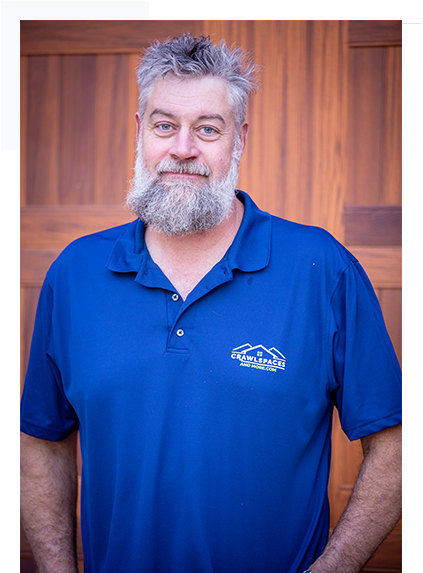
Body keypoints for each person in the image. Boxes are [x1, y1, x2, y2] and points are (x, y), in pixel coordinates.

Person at [20, 33, 402, 573]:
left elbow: (397, 443)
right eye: (164, 126)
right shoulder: (75, 273)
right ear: (139, 131)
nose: (183, 148)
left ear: (239, 138)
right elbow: (42, 439)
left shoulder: (322, 269)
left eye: (207, 128)